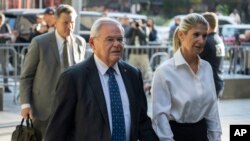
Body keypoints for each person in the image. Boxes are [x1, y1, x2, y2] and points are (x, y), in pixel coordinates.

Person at [45, 17, 159, 141]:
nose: (117, 44)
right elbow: (57, 131)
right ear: (92, 43)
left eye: (120, 39)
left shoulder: (133, 74)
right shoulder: (73, 78)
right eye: (110, 39)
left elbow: (142, 122)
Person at [19, 4, 86, 139]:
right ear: (55, 21)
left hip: (73, 108)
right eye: (65, 22)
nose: (70, 26)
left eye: (72, 22)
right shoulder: (40, 43)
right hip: (44, 108)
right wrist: (25, 104)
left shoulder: (80, 43)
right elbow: (26, 76)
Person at [151, 13, 222, 141]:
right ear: (181, 35)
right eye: (196, 34)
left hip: (201, 135)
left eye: (204, 36)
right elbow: (160, 118)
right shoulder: (164, 72)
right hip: (177, 136)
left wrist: (216, 138)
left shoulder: (206, 68)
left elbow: (212, 110)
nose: (201, 40)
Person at [200, 12, 225, 98]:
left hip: (210, 85)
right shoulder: (218, 39)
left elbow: (194, 60)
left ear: (207, 25)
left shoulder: (207, 42)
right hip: (218, 83)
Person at [0, 13, 13, 93]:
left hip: (4, 50)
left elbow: (10, 36)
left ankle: (6, 86)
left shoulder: (5, 26)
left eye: (1, 19)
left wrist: (3, 35)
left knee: (5, 68)